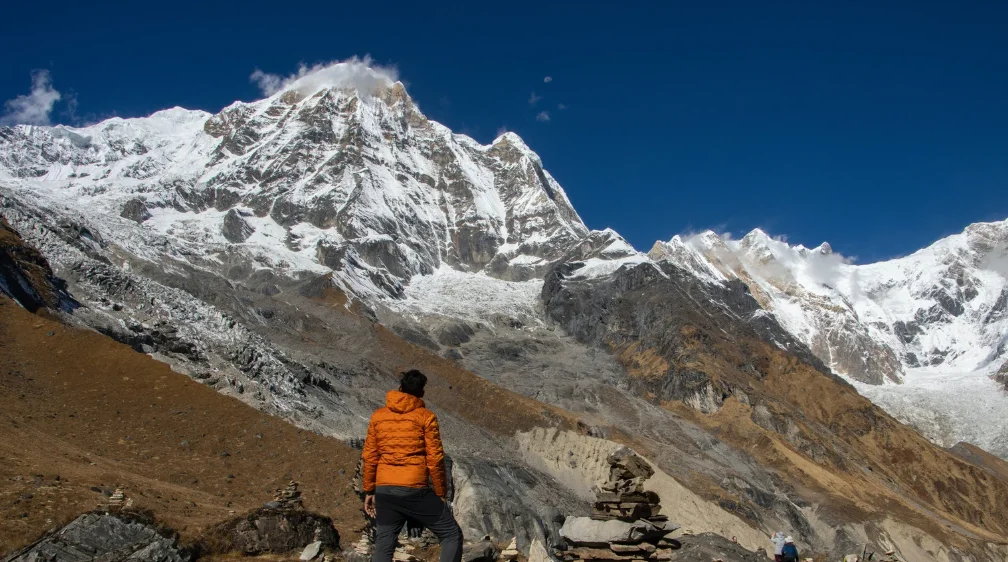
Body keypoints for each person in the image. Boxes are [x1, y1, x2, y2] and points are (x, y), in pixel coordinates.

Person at [362, 370, 463, 562]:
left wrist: (369, 490)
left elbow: (370, 456)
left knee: (384, 544)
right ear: (421, 393)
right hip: (413, 489)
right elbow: (435, 458)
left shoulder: (378, 416)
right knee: (451, 534)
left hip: (384, 490)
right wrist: (441, 493)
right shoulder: (426, 417)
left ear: (400, 388)